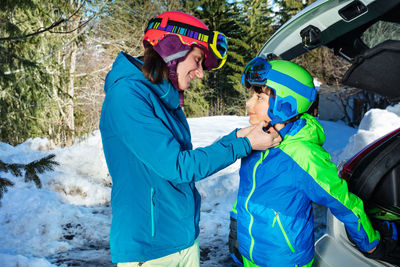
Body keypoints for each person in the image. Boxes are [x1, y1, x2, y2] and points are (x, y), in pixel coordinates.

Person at [99, 12, 281, 266]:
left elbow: (183, 160)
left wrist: (239, 136)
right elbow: (178, 167)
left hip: (181, 236)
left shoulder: (163, 96)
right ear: (172, 47)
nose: (200, 73)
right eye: (197, 60)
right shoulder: (127, 96)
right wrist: (244, 144)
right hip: (150, 249)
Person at [233, 57, 398, 267]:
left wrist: (371, 243)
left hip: (283, 260)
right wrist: (235, 226)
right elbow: (247, 191)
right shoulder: (256, 140)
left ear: (286, 102)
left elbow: (344, 202)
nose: (248, 103)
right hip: (249, 253)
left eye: (259, 97)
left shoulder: (302, 154)